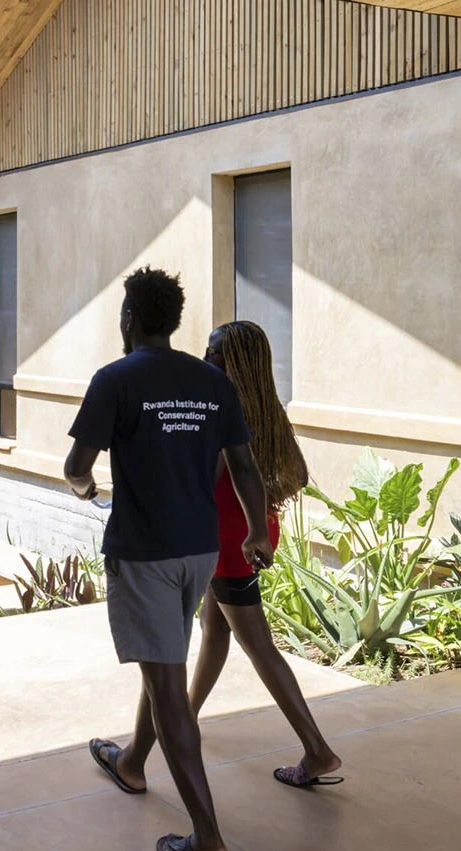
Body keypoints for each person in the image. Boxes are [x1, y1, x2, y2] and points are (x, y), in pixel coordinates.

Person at [65, 268, 270, 851]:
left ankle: (207, 840)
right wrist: (256, 532)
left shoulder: (114, 380)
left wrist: (86, 488)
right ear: (174, 321)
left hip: (145, 552)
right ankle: (131, 761)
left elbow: (76, 465)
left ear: (129, 318)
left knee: (167, 686)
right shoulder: (213, 382)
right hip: (200, 551)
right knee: (165, 663)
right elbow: (245, 466)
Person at [92, 319, 343, 805]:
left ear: (236, 361)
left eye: (215, 353)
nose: (206, 359)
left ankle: (317, 750)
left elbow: (201, 481)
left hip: (226, 539)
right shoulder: (265, 408)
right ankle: (176, 722)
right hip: (251, 531)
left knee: (249, 645)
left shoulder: (223, 407)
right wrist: (258, 517)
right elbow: (296, 474)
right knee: (215, 632)